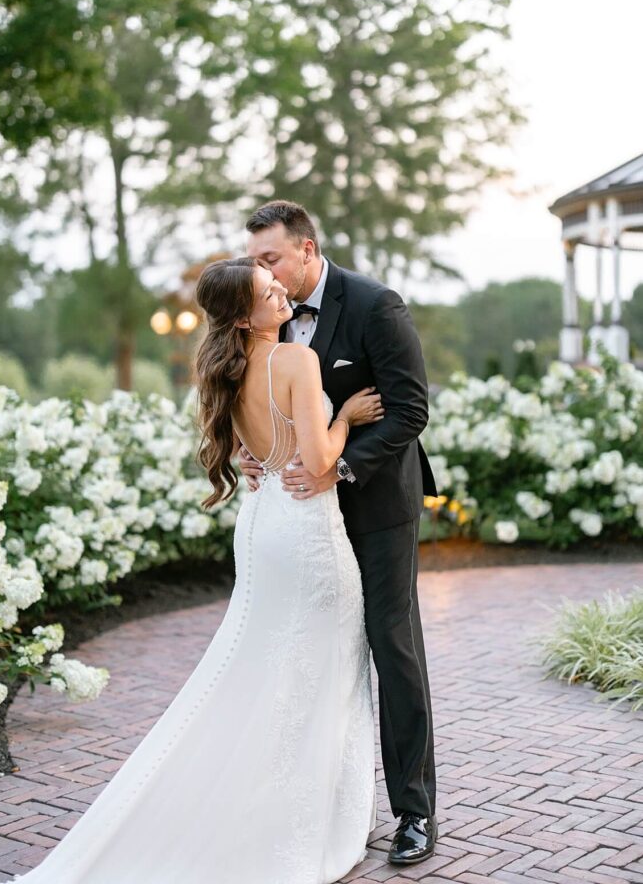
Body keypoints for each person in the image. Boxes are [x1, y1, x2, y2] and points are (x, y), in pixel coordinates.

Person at [0, 255, 384, 884]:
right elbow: (320, 461)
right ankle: (303, 823)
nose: (280, 292)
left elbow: (252, 452)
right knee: (325, 669)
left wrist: (273, 453)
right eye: (266, 292)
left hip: (261, 521)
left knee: (264, 667)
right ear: (244, 318)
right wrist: (344, 417)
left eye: (276, 282)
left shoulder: (226, 371)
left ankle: (261, 802)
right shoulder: (296, 362)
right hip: (306, 531)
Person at [241, 200, 439, 866]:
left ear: (306, 249)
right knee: (316, 650)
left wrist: (341, 466)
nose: (262, 273)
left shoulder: (375, 304)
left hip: (378, 505)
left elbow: (410, 409)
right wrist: (259, 451)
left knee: (391, 644)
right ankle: (325, 804)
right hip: (305, 519)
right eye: (254, 262)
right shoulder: (263, 321)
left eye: (270, 259)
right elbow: (267, 410)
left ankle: (413, 811)